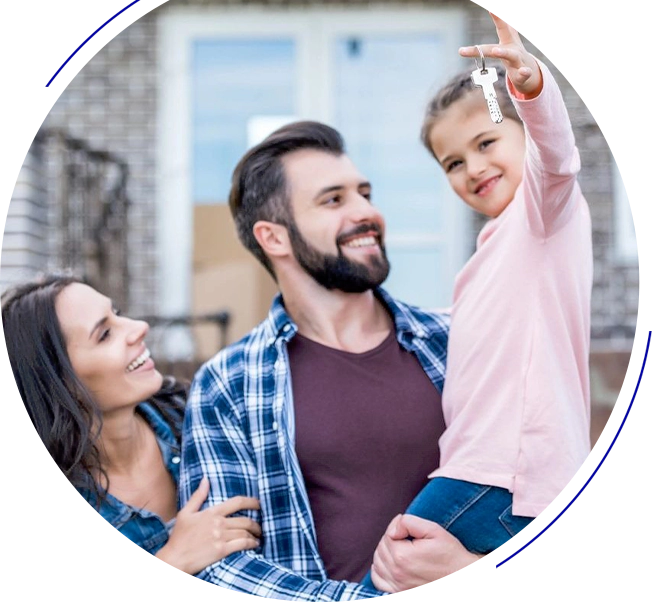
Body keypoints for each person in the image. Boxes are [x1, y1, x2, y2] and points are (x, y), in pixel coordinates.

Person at [178, 119, 484, 599]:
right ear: (274, 237)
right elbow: (223, 563)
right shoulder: (229, 382)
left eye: (365, 193)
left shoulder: (456, 341)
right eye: (334, 200)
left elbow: (536, 484)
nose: (367, 212)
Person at [364, 11, 593, 592]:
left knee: (387, 576)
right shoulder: (490, 252)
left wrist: (530, 91)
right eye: (453, 163)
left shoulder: (543, 217)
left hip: (501, 472)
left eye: (486, 141)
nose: (473, 169)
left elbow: (558, 161)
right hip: (487, 469)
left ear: (521, 137)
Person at [0, 273, 262, 576]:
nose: (140, 328)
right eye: (104, 334)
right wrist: (175, 558)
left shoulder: (203, 417)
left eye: (118, 314)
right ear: (58, 384)